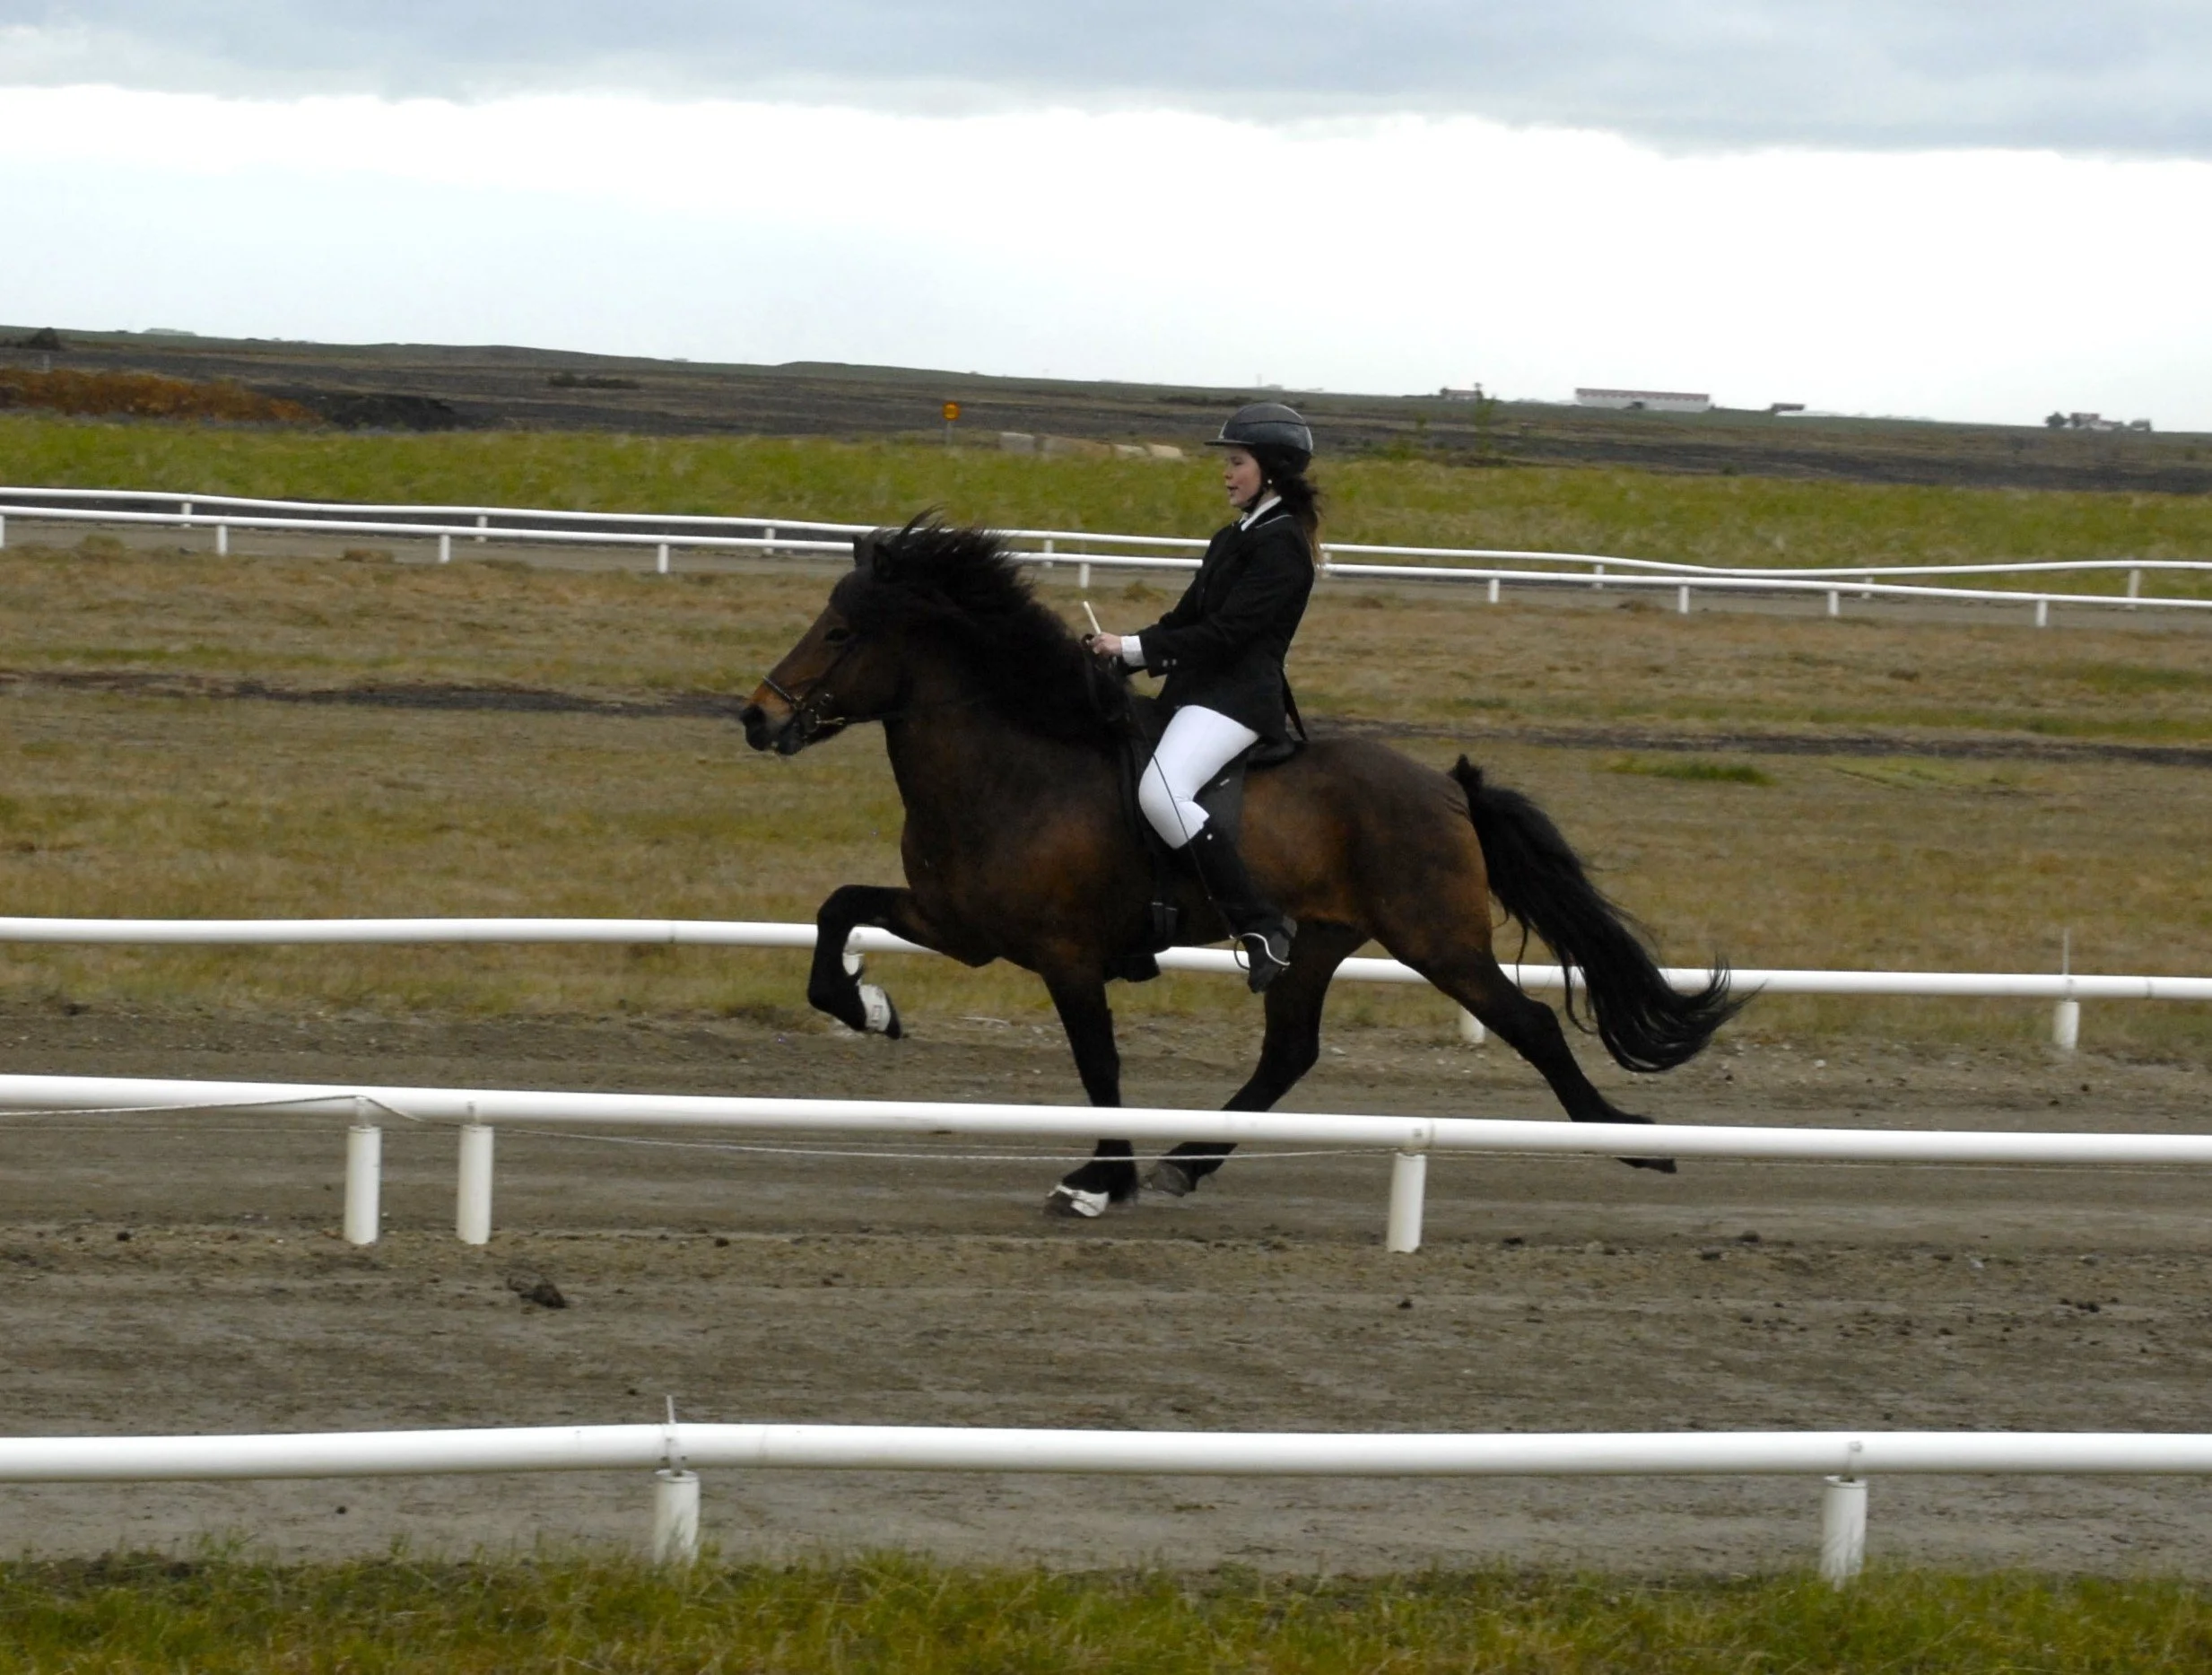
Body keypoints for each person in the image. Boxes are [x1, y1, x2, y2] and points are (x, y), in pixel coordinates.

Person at [1087, 402, 1319, 992]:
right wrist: (1119, 649)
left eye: (1237, 463)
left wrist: (1137, 649)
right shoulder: (1233, 536)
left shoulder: (1282, 546)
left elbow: (1228, 635)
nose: (1226, 473)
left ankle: (1261, 924)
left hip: (1236, 700)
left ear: (1271, 471)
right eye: (1229, 463)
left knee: (1162, 793)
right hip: (1195, 691)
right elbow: (1185, 618)